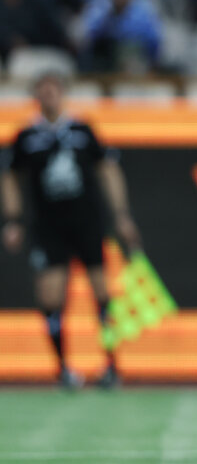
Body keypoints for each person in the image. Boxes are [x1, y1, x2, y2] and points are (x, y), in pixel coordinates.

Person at [1, 71, 142, 389]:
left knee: (102, 293)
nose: (48, 94)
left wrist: (122, 215)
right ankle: (64, 368)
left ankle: (111, 366)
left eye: (53, 88)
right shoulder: (26, 137)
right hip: (48, 227)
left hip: (87, 222)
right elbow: (9, 176)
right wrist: (12, 219)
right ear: (36, 96)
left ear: (63, 92)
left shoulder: (82, 130)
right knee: (50, 297)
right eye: (42, 89)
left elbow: (108, 170)